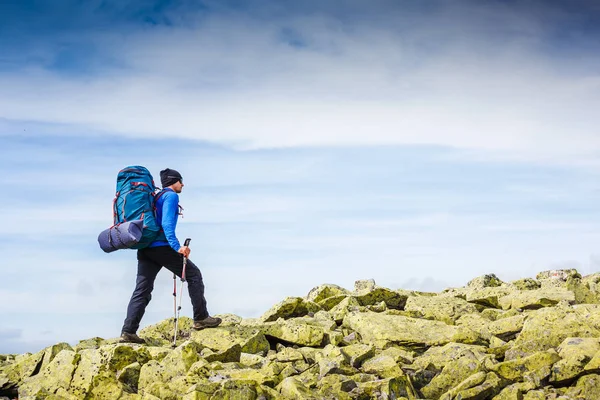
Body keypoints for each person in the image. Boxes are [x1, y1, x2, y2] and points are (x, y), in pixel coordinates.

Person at [120, 168, 221, 343]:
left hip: (145, 248)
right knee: (193, 274)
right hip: (161, 247)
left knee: (142, 289)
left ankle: (128, 331)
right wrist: (177, 247)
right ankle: (201, 318)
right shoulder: (171, 196)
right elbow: (167, 224)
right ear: (173, 182)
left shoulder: (156, 197)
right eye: (180, 181)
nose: (182, 184)